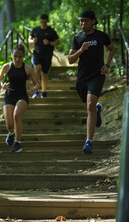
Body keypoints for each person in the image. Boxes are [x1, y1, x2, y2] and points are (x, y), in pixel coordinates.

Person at [68, 10, 115, 154]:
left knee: (90, 106)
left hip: (97, 76)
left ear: (93, 21)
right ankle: (97, 109)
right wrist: (81, 50)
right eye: (81, 21)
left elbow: (111, 49)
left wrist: (107, 65)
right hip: (82, 78)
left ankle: (88, 141)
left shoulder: (101, 36)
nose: (83, 23)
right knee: (90, 109)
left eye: (86, 20)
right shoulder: (77, 38)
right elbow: (70, 60)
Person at [0, 45, 39, 152]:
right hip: (9, 96)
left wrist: (34, 88)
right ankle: (11, 133)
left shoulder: (28, 68)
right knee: (9, 125)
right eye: (15, 56)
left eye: (20, 57)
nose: (17, 59)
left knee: (16, 115)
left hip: (22, 96)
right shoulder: (7, 66)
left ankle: (17, 143)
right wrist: (2, 85)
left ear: (23, 56)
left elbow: (37, 84)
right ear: (11, 55)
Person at [29, 13, 59, 98]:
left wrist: (49, 42)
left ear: (47, 21)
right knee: (37, 68)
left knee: (44, 74)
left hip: (47, 55)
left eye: (45, 22)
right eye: (42, 22)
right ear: (40, 21)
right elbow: (29, 39)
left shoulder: (51, 31)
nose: (43, 24)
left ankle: (44, 91)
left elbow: (57, 42)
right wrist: (32, 41)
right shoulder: (35, 30)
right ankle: (35, 90)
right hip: (36, 54)